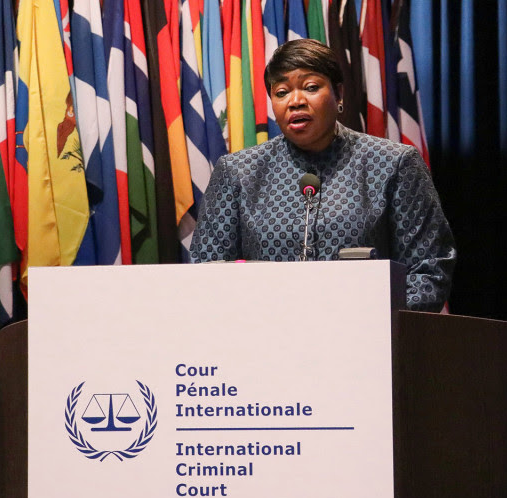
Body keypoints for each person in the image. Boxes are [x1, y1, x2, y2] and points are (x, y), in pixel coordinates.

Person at [189, 39, 456, 312]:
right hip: (263, 330)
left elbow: (428, 269)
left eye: (311, 87)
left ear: (338, 94)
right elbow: (207, 270)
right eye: (281, 92)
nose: (295, 101)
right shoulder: (238, 172)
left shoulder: (393, 164)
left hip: (366, 331)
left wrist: (376, 322)